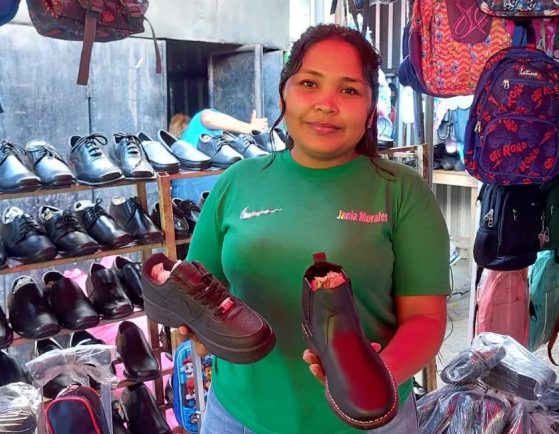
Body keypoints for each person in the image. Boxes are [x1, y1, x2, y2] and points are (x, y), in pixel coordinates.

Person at [179, 24, 450, 434]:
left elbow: (427, 318)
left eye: (349, 90)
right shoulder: (237, 182)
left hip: (368, 421)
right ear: (283, 95)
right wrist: (198, 327)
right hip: (237, 417)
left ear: (371, 108)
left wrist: (373, 381)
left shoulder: (401, 191)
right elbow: (199, 289)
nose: (326, 103)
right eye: (309, 83)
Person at [168, 109, 269, 203]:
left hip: (180, 195)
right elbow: (208, 118)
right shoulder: (196, 124)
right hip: (199, 183)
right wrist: (250, 128)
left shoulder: (177, 146)